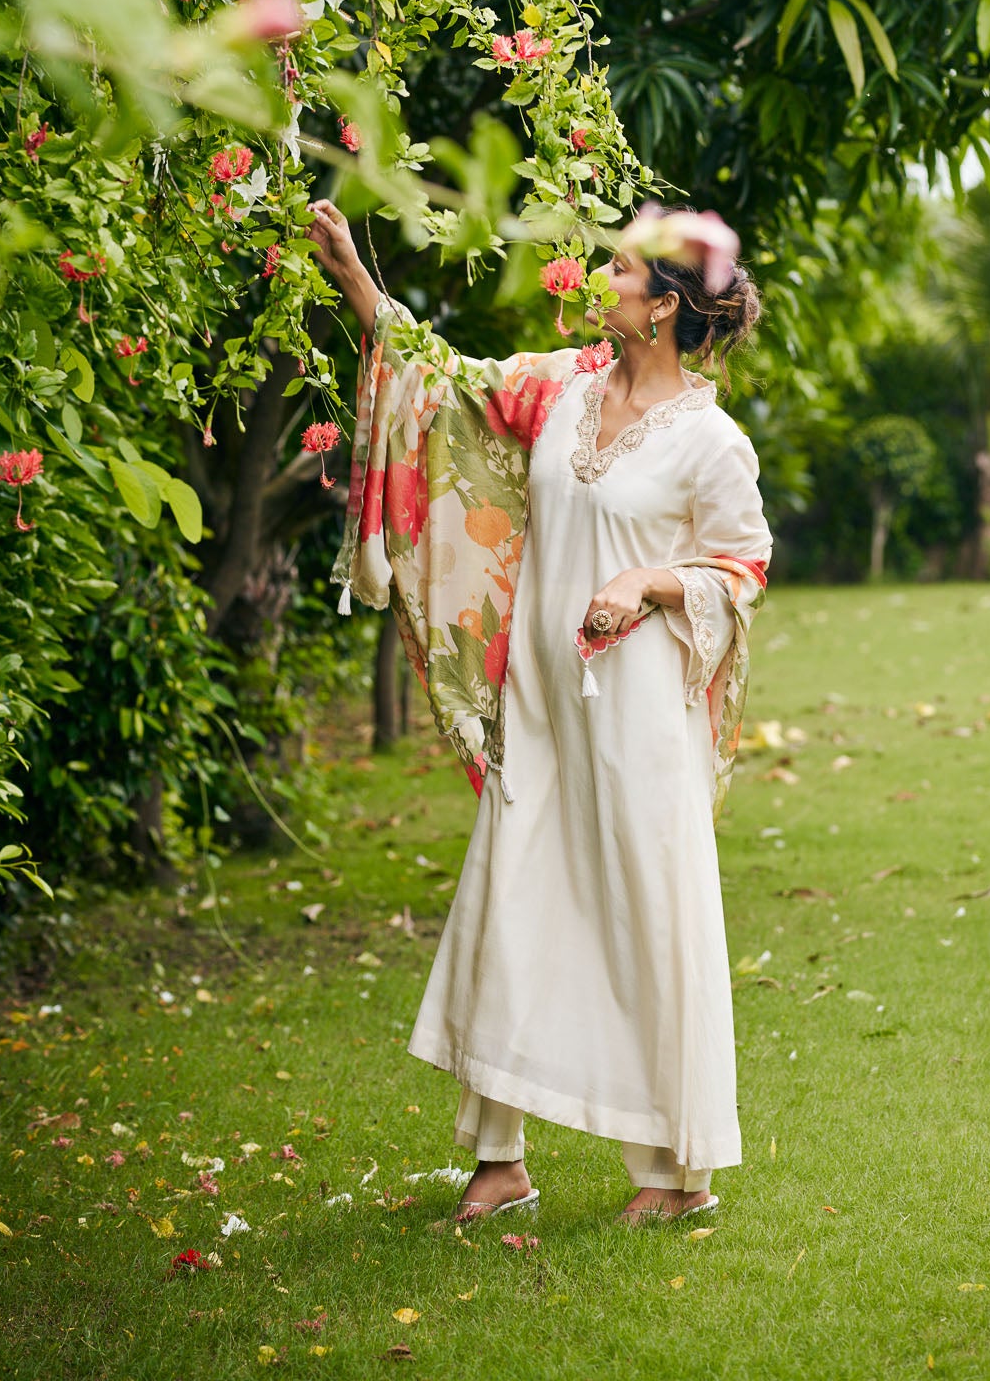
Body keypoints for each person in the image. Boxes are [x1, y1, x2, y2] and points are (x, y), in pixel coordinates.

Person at [307, 199, 771, 1225]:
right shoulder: (561, 388)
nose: (602, 279)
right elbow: (441, 381)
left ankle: (681, 1169)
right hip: (542, 700)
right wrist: (351, 276)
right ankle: (499, 1156)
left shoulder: (711, 441)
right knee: (509, 899)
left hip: (639, 711)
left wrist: (648, 582)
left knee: (649, 918)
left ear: (665, 307)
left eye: (623, 270)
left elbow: (741, 566)